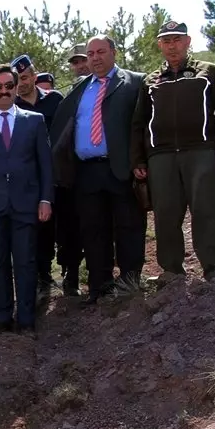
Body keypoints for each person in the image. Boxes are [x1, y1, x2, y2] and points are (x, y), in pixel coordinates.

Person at [130, 22, 215, 286]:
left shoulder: (207, 72)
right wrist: (138, 159)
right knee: (165, 214)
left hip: (200, 151)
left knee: (206, 211)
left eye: (177, 40)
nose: (172, 45)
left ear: (188, 41)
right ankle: (172, 271)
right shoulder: (150, 80)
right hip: (161, 156)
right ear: (160, 45)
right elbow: (138, 123)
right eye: (166, 41)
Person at [51, 37, 147, 305]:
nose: (95, 58)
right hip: (86, 173)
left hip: (121, 169)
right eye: (90, 54)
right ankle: (99, 287)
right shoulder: (79, 89)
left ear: (114, 53)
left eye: (101, 52)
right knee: (93, 231)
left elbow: (143, 126)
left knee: (129, 226)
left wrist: (141, 161)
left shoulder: (135, 82)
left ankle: (129, 284)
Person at [0, 65, 54, 334]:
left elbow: (45, 164)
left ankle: (26, 319)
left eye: (8, 86)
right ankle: (1, 318)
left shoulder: (34, 121)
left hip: (26, 203)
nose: (3, 91)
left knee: (26, 262)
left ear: (16, 87)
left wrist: (45, 200)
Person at [13, 54, 64, 296]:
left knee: (66, 226)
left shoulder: (55, 100)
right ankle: (43, 278)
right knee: (39, 229)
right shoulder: (11, 108)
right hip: (30, 179)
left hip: (60, 174)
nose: (21, 83)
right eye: (16, 79)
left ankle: (71, 275)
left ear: (34, 75)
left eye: (24, 77)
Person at [50, 47, 94, 296]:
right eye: (76, 62)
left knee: (98, 225)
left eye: (84, 60)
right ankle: (71, 276)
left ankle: (101, 277)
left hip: (96, 167)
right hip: (68, 173)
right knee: (69, 228)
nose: (80, 66)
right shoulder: (64, 96)